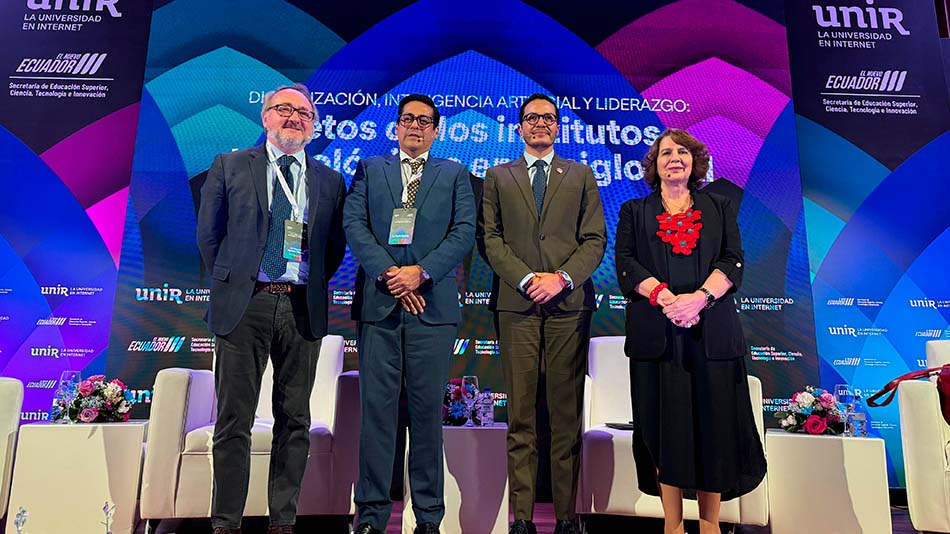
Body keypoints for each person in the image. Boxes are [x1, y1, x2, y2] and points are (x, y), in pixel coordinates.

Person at [196, 83, 347, 534]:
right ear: (265, 117)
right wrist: (237, 279)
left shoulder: (329, 180)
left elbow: (332, 249)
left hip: (300, 306)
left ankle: (283, 522)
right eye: (284, 109)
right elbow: (209, 236)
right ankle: (226, 522)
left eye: (304, 113)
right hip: (246, 304)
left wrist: (301, 279)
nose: (294, 118)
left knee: (295, 420)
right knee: (233, 419)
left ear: (314, 125)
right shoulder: (229, 165)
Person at [613, 128, 767, 534]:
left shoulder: (719, 207)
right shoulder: (634, 211)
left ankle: (711, 523)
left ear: (696, 162)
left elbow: (733, 261)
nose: (674, 158)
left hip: (711, 332)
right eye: (665, 153)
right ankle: (673, 524)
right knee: (663, 428)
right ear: (654, 165)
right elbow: (626, 266)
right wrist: (668, 299)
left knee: (714, 426)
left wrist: (698, 299)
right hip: (657, 337)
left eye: (682, 151)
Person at [344, 94, 476, 534]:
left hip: (432, 310)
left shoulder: (455, 174)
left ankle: (429, 518)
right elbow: (354, 225)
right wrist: (389, 274)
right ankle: (372, 516)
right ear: (395, 127)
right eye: (407, 120)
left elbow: (463, 232)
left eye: (424, 121)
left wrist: (420, 273)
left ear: (437, 130)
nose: (415, 127)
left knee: (425, 416)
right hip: (380, 308)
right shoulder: (369, 169)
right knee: (377, 415)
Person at [478, 93, 606, 534]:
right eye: (531, 118)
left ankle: (568, 517)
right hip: (517, 305)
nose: (539, 124)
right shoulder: (498, 176)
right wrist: (528, 279)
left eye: (547, 118)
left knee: (565, 414)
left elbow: (594, 240)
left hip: (569, 306)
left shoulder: (582, 174)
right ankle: (522, 517)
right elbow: (490, 239)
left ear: (558, 127)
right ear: (519, 127)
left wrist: (562, 279)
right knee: (521, 415)